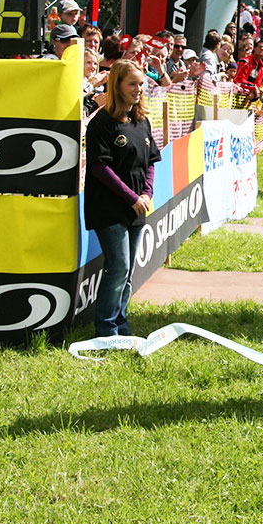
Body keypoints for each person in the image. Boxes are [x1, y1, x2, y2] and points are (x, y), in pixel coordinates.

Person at [84, 60, 161, 337]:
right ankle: (106, 329)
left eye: (141, 84)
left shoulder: (142, 121)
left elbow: (150, 161)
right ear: (116, 86)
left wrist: (146, 193)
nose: (139, 89)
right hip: (109, 207)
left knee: (128, 274)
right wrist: (131, 197)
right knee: (118, 267)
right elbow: (100, 168)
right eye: (132, 84)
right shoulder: (102, 123)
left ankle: (121, 322)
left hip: (136, 207)